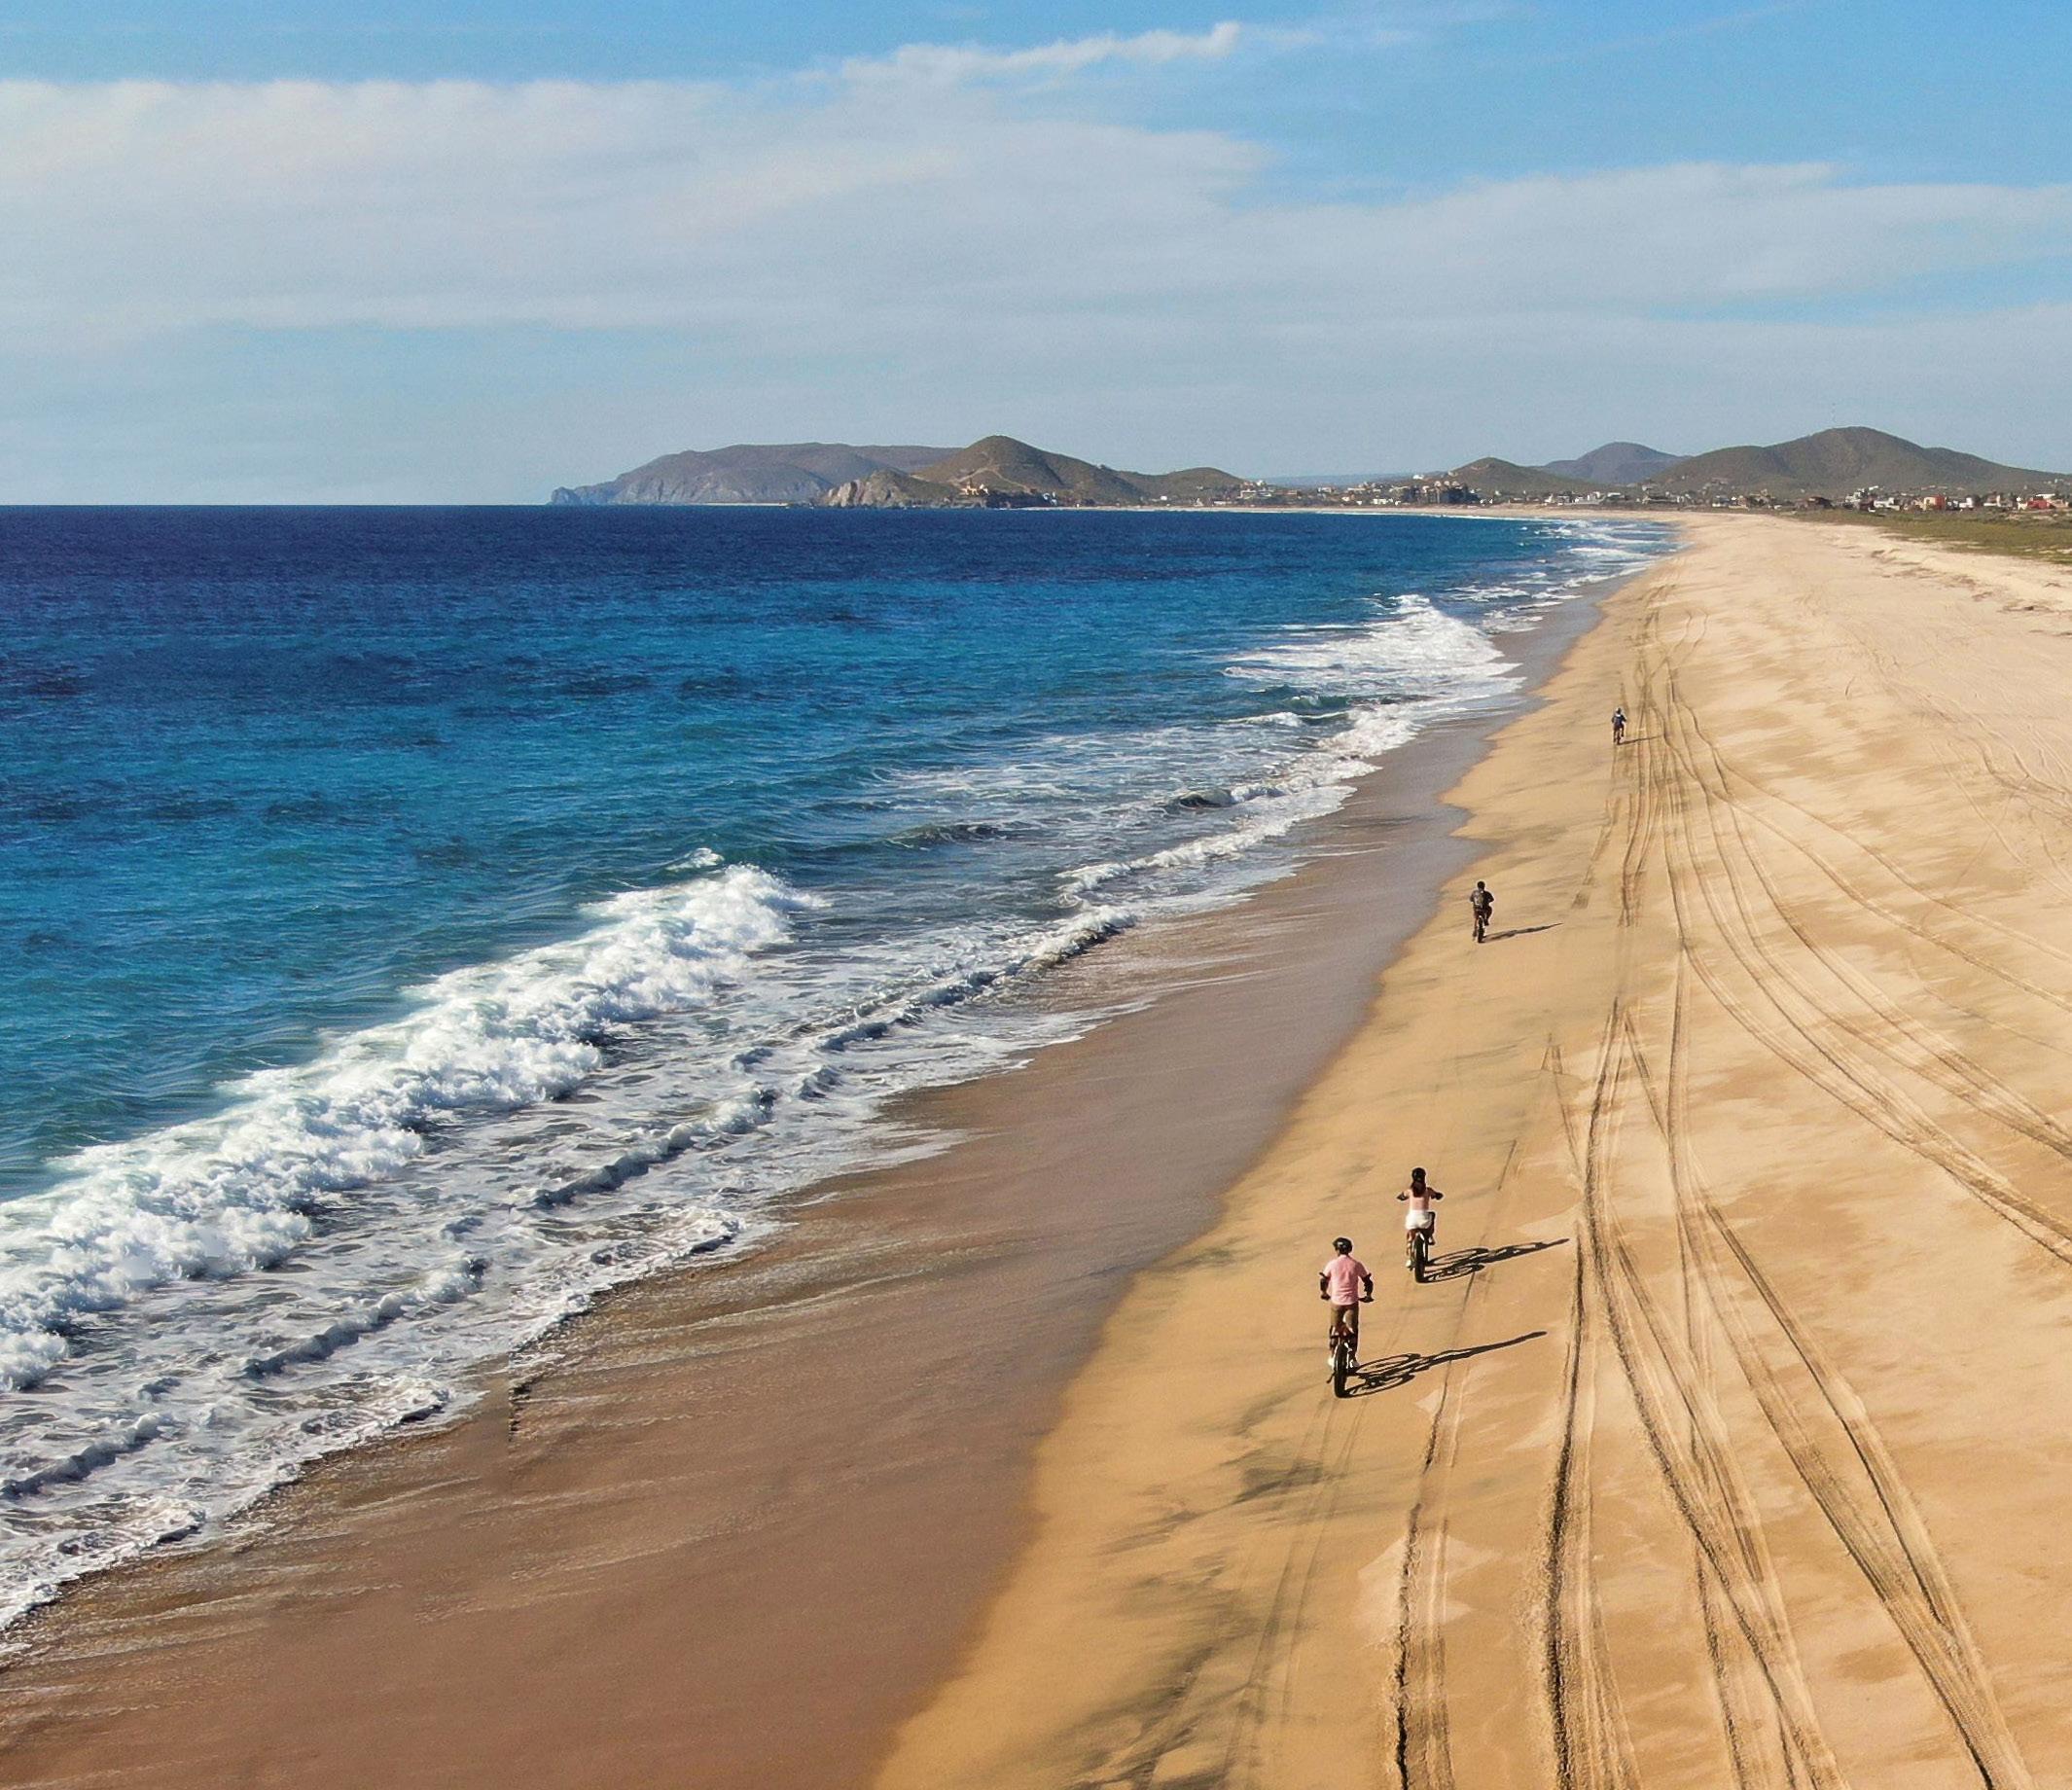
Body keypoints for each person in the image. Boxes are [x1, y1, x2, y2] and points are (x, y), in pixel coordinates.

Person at [1319, 1236, 1373, 1358]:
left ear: (1337, 1250)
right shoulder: (1356, 1264)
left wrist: (1324, 1292)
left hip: (1337, 1301)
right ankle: (1352, 1357)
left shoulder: (1332, 1264)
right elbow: (1367, 1281)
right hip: (1351, 1302)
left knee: (1334, 1327)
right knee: (1353, 1329)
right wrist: (1368, 1295)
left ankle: (1332, 1355)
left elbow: (1323, 1281)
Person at [1398, 1167, 1443, 1257]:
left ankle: (1410, 1249)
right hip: (1424, 1220)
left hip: (1412, 1220)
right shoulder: (1427, 1190)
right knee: (1432, 1214)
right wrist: (1438, 1195)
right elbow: (1437, 1195)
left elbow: (1402, 1196)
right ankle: (1429, 1236)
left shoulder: (1409, 1191)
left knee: (1411, 1231)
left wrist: (1401, 1197)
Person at [1469, 879, 1494, 944]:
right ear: (1484, 886)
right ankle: (1486, 919)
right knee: (1490, 909)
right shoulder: (1487, 893)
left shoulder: (1474, 893)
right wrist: (1488, 901)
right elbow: (1492, 899)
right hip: (1484, 909)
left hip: (1476, 909)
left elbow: (1471, 899)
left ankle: (1475, 930)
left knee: (1476, 918)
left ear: (1477, 887)